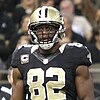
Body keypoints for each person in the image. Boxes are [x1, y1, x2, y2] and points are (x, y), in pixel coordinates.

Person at [10, 6, 94, 100]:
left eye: (49, 28)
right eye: (39, 29)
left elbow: (87, 97)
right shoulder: (22, 56)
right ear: (32, 30)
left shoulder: (74, 54)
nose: (44, 33)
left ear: (60, 29)